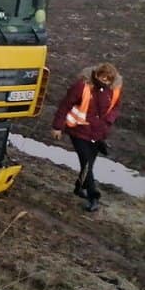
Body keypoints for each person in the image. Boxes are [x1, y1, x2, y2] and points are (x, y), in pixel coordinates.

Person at [51, 63, 122, 212]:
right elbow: (65, 106)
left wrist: (108, 121)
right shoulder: (81, 87)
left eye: (108, 80)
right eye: (101, 78)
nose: (104, 81)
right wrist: (57, 127)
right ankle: (93, 196)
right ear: (95, 74)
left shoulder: (114, 90)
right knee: (87, 164)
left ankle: (79, 187)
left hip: (98, 133)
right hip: (79, 131)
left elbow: (115, 108)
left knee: (89, 164)